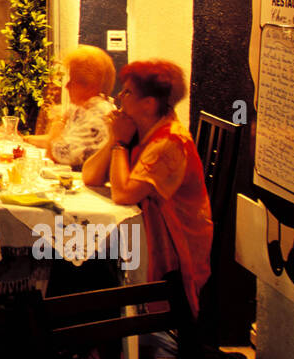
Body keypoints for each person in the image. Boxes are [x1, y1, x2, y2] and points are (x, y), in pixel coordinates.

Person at [81, 59, 213, 318]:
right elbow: (90, 177)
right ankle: (90, 345)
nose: (119, 97)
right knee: (73, 248)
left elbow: (123, 194)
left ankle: (97, 346)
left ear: (149, 104)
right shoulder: (141, 131)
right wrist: (113, 138)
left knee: (77, 256)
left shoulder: (169, 142)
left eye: (127, 92)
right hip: (140, 232)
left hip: (172, 253)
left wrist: (119, 142)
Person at [25, 45, 117, 169]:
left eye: (72, 81)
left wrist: (58, 121)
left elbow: (54, 154)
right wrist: (23, 139)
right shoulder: (84, 109)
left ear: (90, 86)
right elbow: (62, 142)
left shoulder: (97, 116)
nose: (67, 86)